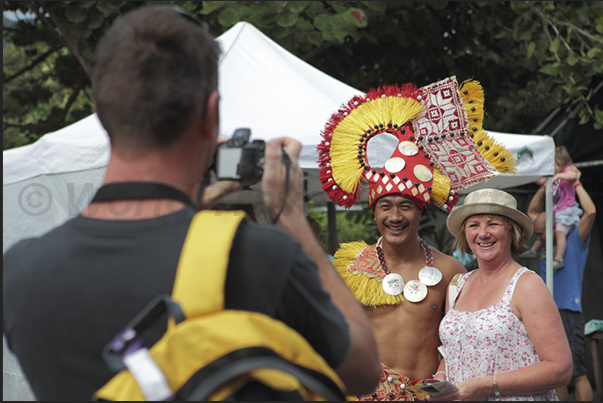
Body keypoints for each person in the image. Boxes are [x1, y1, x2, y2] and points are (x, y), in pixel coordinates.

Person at [2, 6, 381, 401]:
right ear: (211, 115)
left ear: (100, 115)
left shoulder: (21, 271)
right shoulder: (260, 257)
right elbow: (363, 370)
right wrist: (293, 219)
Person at [316, 77, 518, 400]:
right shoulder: (352, 268)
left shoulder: (451, 271)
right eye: (386, 207)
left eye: (405, 207)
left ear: (420, 213)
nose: (395, 217)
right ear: (374, 213)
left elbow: (464, 339)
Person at [429, 188, 573, 401]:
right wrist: (440, 379)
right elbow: (455, 349)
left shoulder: (526, 285)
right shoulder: (458, 284)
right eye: (473, 225)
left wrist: (486, 385)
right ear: (465, 233)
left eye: (493, 224)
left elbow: (560, 369)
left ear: (511, 231)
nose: (483, 233)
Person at [527, 166, 596, 401]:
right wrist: (547, 186)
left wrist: (576, 183)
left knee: (577, 372)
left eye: (542, 230)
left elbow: (591, 212)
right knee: (553, 375)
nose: (539, 234)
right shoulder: (544, 245)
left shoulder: (574, 240)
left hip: (568, 311)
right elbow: (534, 212)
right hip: (546, 315)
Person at [521, 146, 582, 270]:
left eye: (554, 164)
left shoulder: (567, 171)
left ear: (561, 163)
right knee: (546, 232)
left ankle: (559, 258)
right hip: (557, 211)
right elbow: (540, 180)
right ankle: (533, 250)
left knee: (560, 234)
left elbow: (573, 175)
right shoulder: (552, 176)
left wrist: (558, 176)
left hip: (567, 210)